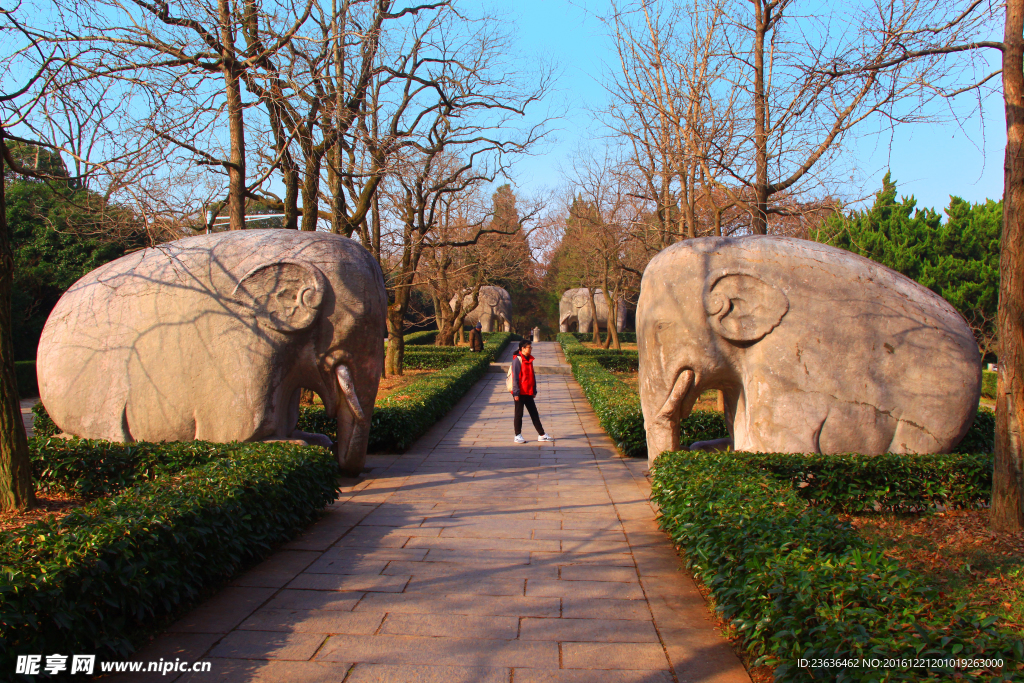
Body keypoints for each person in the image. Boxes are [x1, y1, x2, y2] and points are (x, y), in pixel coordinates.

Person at [511, 340, 554, 443]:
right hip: (520, 392)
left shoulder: (529, 359)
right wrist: (516, 393)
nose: (530, 349)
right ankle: (517, 435)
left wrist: (534, 390)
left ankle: (542, 434)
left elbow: (532, 376)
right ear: (523, 348)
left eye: (531, 347)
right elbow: (515, 377)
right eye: (529, 347)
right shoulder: (517, 360)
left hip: (528, 392)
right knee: (519, 414)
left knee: (534, 414)